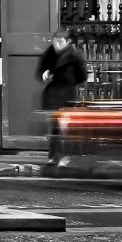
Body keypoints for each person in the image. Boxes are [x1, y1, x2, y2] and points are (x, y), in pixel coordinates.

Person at [38, 27, 88, 164]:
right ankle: (55, 156)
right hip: (53, 95)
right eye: (55, 42)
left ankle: (60, 156)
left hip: (66, 95)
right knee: (56, 127)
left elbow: (82, 76)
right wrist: (45, 74)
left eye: (60, 42)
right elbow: (41, 70)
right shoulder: (50, 53)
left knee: (62, 127)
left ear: (67, 42)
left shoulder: (74, 56)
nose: (57, 45)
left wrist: (68, 80)